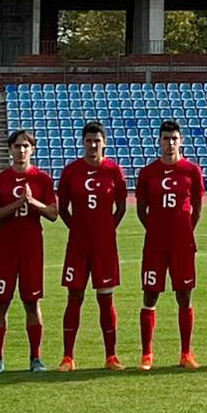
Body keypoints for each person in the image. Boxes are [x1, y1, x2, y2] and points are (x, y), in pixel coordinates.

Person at [55, 122, 128, 371]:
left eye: (97, 140)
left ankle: (111, 357)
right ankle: (67, 357)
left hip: (104, 247)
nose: (93, 145)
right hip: (77, 246)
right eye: (88, 140)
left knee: (105, 298)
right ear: (83, 143)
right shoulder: (71, 171)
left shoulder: (114, 171)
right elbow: (62, 208)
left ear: (104, 143)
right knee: (74, 296)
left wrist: (107, 228)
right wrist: (77, 228)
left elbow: (121, 207)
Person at [0, 129, 58, 374]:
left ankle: (35, 358)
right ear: (10, 149)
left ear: (32, 149)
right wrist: (16, 204)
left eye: (26, 146)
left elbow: (53, 214)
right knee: (1, 303)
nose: (21, 150)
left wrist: (33, 202)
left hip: (31, 250)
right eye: (17, 146)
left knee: (31, 302)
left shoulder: (42, 180)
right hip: (6, 250)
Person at [134, 120, 204, 369]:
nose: (170, 142)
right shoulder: (148, 172)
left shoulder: (192, 171)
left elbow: (197, 206)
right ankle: (147, 354)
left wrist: (185, 230)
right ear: (159, 141)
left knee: (184, 296)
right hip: (155, 244)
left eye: (174, 138)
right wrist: (155, 229)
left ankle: (186, 354)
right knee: (150, 295)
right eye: (166, 138)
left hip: (182, 245)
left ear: (181, 140)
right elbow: (141, 210)